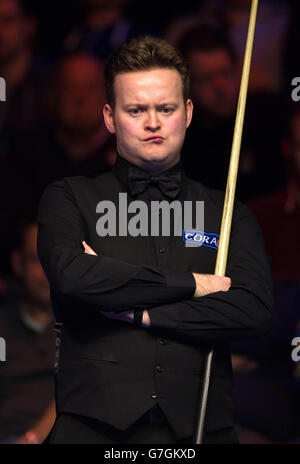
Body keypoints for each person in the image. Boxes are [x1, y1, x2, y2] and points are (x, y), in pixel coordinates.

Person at [37, 35, 273, 444]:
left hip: (200, 432)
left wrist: (141, 312)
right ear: (110, 118)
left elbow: (252, 308)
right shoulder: (69, 198)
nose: (152, 123)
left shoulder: (227, 211)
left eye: (165, 109)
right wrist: (195, 284)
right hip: (93, 433)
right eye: (136, 110)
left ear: (188, 112)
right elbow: (74, 277)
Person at [0, 219, 56, 444]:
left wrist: (33, 439)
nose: (45, 272)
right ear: (18, 263)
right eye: (35, 259)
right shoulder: (2, 326)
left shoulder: (83, 327)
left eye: (52, 259)